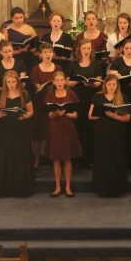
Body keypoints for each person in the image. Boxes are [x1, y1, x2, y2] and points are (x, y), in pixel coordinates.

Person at [0, 70, 35, 198]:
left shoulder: (24, 94)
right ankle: (6, 189)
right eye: (8, 82)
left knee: (20, 156)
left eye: (13, 82)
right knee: (6, 156)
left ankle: (21, 188)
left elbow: (31, 111)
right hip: (5, 130)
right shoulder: (0, 95)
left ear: (17, 81)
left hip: (20, 129)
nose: (11, 84)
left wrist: (25, 116)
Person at [89, 74, 129, 197]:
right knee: (103, 159)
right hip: (102, 131)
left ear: (117, 85)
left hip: (117, 132)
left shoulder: (122, 97)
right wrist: (103, 114)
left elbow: (127, 118)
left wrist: (115, 116)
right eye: (109, 84)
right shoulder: (98, 96)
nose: (111, 86)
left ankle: (117, 188)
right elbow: (90, 116)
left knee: (116, 159)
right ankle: (102, 188)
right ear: (105, 84)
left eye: (114, 84)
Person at [109, 37, 131, 169]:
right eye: (127, 48)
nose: (129, 51)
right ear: (123, 49)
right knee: (122, 128)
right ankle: (122, 160)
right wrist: (118, 79)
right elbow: (111, 80)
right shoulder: (117, 62)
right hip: (121, 96)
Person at [67, 39, 103, 167]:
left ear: (91, 50)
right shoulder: (73, 64)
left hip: (91, 97)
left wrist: (91, 83)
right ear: (79, 50)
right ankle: (78, 159)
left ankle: (91, 158)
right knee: (78, 126)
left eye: (88, 48)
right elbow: (67, 82)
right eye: (84, 48)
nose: (86, 51)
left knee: (90, 127)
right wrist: (79, 82)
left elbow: (99, 83)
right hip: (77, 97)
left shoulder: (96, 64)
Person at [45, 70, 81, 198]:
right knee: (56, 159)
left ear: (65, 81)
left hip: (67, 127)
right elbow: (50, 115)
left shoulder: (70, 93)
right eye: (57, 80)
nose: (60, 82)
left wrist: (66, 113)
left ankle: (68, 187)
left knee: (67, 158)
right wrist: (57, 113)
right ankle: (57, 187)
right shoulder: (50, 94)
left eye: (62, 80)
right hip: (55, 127)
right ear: (53, 82)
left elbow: (75, 115)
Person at [31, 42, 62, 168]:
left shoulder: (58, 68)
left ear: (53, 54)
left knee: (56, 131)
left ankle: (56, 158)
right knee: (39, 133)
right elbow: (37, 87)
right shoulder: (35, 69)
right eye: (45, 52)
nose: (48, 54)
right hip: (41, 103)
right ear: (40, 55)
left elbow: (61, 85)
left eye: (50, 52)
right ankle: (37, 158)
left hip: (55, 102)